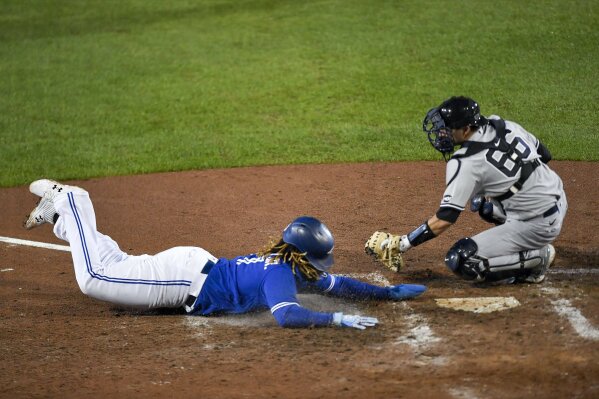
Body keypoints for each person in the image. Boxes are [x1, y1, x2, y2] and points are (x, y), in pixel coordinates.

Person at [24, 179, 426, 329]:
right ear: (305, 254)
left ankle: (64, 222)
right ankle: (73, 200)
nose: (323, 268)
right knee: (95, 279)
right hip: (181, 280)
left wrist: (387, 294)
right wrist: (335, 320)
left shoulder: (291, 261)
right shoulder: (281, 275)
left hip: (190, 270)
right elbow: (288, 316)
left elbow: (338, 285)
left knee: (115, 267)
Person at [368, 96, 567, 284]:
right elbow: (545, 154)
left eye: (447, 129)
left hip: (537, 225)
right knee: (483, 205)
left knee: (463, 261)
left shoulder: (465, 162)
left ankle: (537, 259)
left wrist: (403, 243)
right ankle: (525, 228)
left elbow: (446, 217)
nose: (441, 133)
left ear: (465, 130)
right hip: (558, 198)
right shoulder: (503, 125)